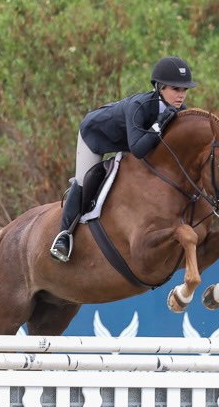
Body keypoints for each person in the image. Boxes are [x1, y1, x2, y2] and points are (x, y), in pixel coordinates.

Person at [50, 56, 196, 262]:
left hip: (126, 141)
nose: (181, 95)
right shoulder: (140, 106)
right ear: (160, 87)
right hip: (96, 136)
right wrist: (158, 125)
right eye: (175, 89)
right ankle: (63, 236)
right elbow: (138, 149)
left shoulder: (179, 111)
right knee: (85, 180)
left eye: (184, 90)